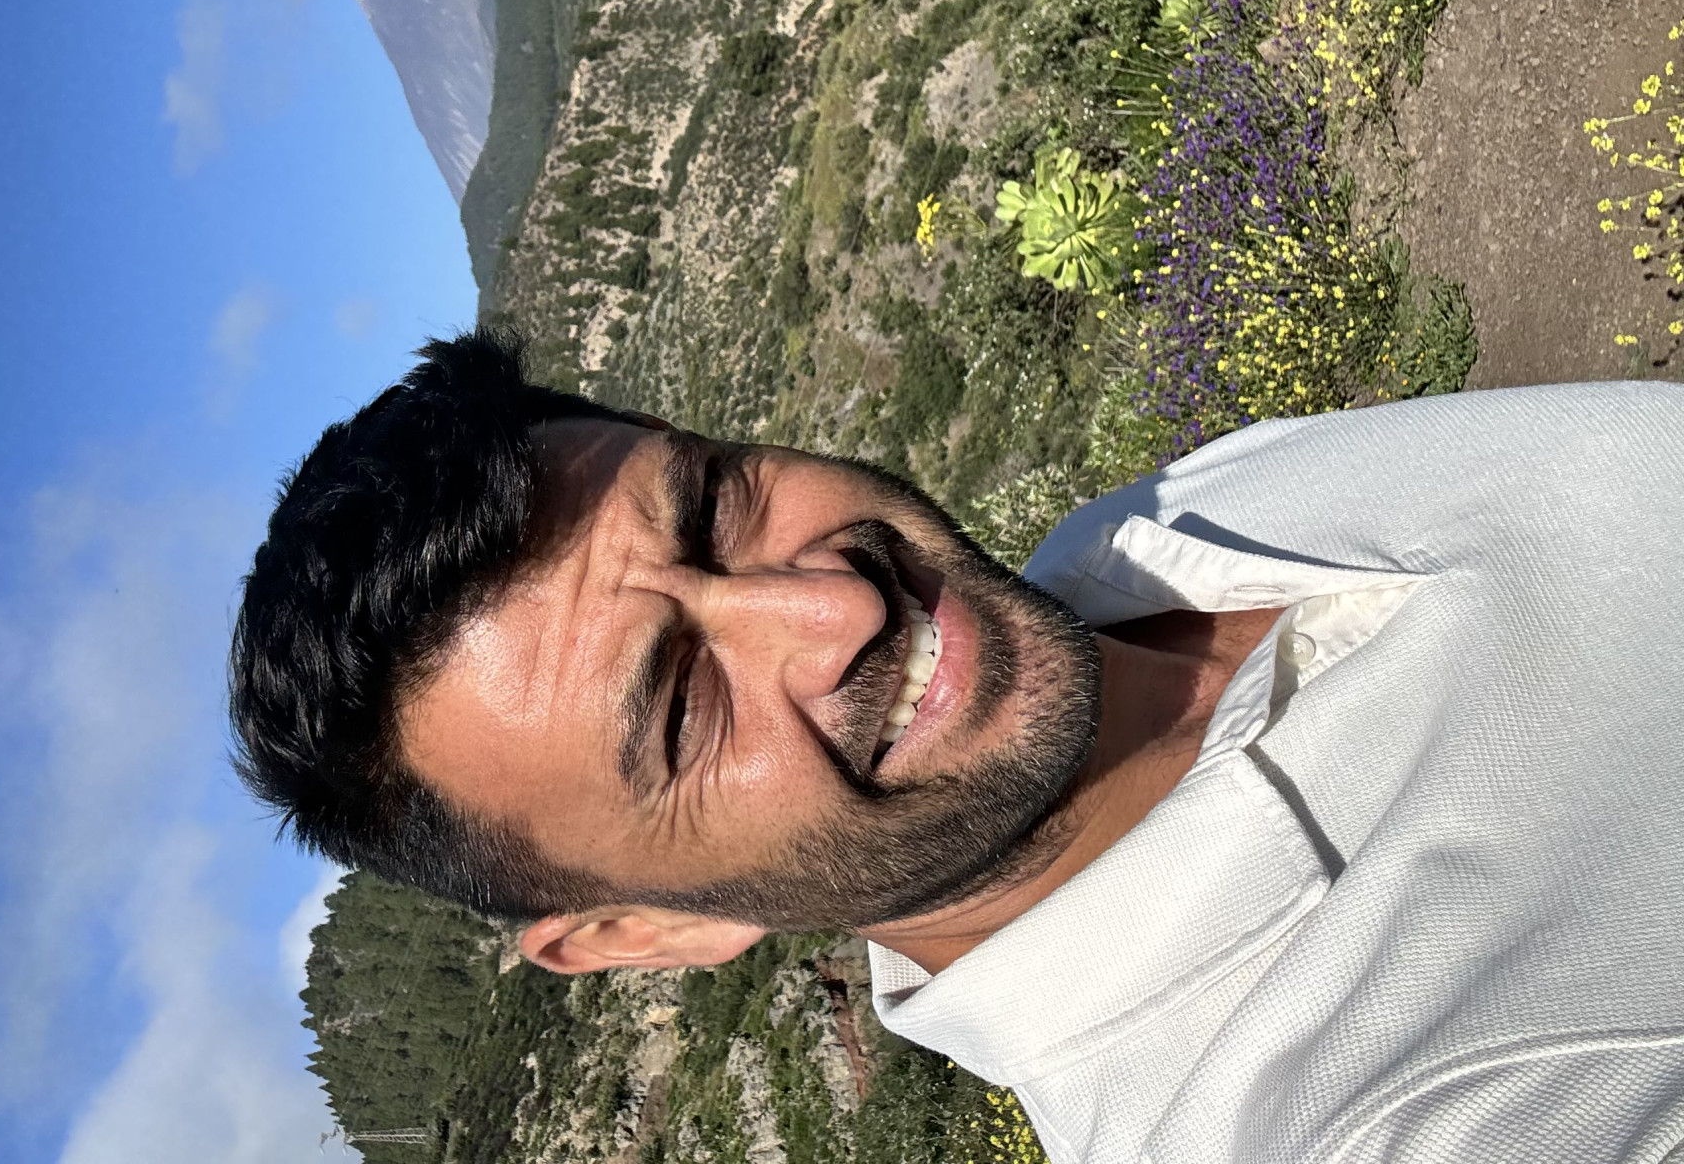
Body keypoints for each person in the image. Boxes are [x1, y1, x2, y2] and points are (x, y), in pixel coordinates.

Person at [229, 328, 1684, 1163]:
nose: (836, 606)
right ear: (642, 930)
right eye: (679, 711)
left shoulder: (1145, 536)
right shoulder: (1338, 1120)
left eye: (719, 507)